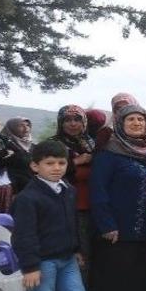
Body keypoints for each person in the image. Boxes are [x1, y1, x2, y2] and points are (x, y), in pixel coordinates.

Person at [11, 140, 95, 291]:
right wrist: (30, 267)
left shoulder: (68, 190)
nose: (57, 168)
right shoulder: (27, 198)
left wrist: (76, 249)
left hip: (67, 258)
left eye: (61, 163)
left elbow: (72, 224)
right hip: (42, 262)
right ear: (35, 166)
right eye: (49, 163)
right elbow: (23, 236)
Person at [88, 104, 146, 291]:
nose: (137, 123)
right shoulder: (108, 154)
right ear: (120, 123)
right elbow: (98, 191)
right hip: (117, 228)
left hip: (145, 227)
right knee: (116, 278)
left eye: (141, 119)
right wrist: (107, 224)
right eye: (131, 119)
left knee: (140, 275)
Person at [52, 105, 96, 261]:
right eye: (67, 120)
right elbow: (46, 170)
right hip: (69, 203)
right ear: (60, 123)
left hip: (95, 201)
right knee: (80, 250)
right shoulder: (54, 144)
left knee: (95, 247)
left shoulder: (91, 142)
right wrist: (76, 161)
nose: (73, 124)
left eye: (77, 120)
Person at [1, 117, 34, 194]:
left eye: (27, 125)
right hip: (14, 189)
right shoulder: (5, 145)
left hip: (32, 187)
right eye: (21, 126)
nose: (26, 128)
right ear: (12, 128)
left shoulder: (33, 146)